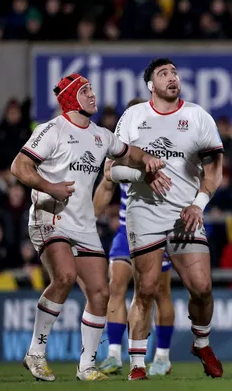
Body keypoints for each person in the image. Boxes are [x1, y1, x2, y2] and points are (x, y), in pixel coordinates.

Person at [11, 74, 164, 381]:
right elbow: (19, 166)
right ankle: (35, 353)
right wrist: (50, 187)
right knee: (65, 276)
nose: (93, 95)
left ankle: (86, 367)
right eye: (85, 90)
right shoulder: (51, 130)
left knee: (100, 292)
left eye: (92, 89)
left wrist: (147, 159)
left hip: (83, 224)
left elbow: (127, 153)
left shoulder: (100, 135)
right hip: (50, 217)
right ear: (71, 98)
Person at [111, 58, 224, 380]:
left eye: (174, 72)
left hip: (185, 213)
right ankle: (137, 364)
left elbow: (214, 170)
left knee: (202, 288)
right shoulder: (133, 117)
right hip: (144, 212)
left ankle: (201, 344)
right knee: (146, 289)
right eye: (163, 74)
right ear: (151, 85)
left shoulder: (198, 116)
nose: (172, 77)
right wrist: (142, 174)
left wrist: (198, 204)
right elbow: (113, 170)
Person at [94, 99, 176, 377]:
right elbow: (106, 186)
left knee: (158, 292)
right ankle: (114, 354)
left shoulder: (164, 147)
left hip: (157, 229)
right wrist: (87, 222)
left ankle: (162, 357)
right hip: (125, 230)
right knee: (115, 286)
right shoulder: (121, 150)